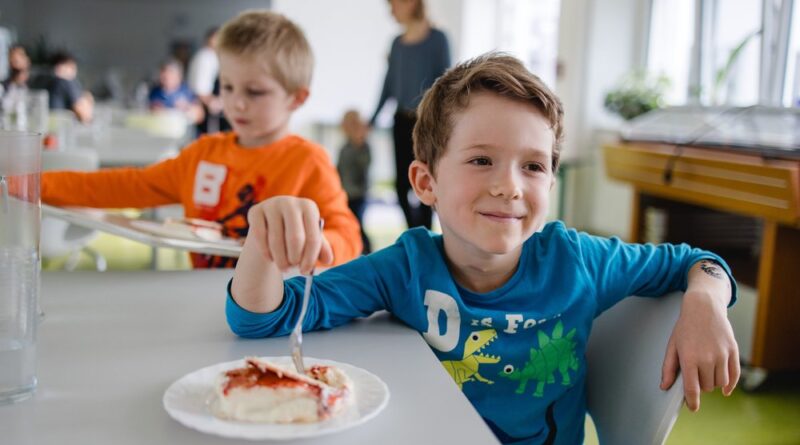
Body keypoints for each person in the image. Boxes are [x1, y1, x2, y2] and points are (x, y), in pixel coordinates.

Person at [226, 53, 740, 444]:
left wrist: (705, 299)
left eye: (533, 166)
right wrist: (262, 245)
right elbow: (264, 320)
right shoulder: (405, 267)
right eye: (481, 161)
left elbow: (700, 261)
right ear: (425, 183)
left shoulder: (577, 260)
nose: (510, 186)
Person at [40, 10, 362, 269]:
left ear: (296, 98)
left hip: (275, 314)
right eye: (227, 86)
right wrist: (30, 185)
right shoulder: (203, 155)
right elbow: (121, 185)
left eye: (254, 91)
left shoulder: (308, 161)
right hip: (205, 304)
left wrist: (321, 244)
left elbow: (348, 236)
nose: (236, 102)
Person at [370, 0, 450, 230]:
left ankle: (426, 234)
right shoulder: (396, 44)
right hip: (400, 122)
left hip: (425, 123)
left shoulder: (438, 39)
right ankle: (415, 233)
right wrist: (372, 120)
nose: (391, 10)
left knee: (426, 181)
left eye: (394, 4)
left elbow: (444, 83)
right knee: (400, 186)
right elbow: (388, 86)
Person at [336, 109, 372, 254]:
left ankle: (368, 252)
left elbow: (365, 164)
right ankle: (351, 251)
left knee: (358, 225)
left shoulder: (363, 146)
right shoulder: (344, 147)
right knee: (348, 224)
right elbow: (339, 169)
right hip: (345, 193)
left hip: (358, 194)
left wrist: (359, 144)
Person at [187, 27, 230, 135]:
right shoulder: (205, 57)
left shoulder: (214, 56)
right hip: (205, 109)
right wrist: (213, 103)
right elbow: (200, 88)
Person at [148, 59, 204, 124]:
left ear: (178, 76)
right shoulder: (155, 91)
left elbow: (200, 115)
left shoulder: (186, 91)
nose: (166, 78)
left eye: (170, 74)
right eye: (163, 75)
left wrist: (187, 108)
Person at [46, 51, 94, 123]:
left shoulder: (46, 81)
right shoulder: (65, 81)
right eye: (71, 67)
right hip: (60, 128)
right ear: (59, 67)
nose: (74, 71)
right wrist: (88, 100)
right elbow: (85, 116)